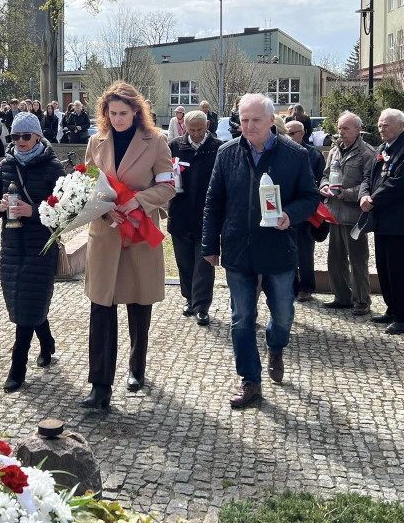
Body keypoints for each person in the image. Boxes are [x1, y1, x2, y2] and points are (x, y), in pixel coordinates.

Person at [203, 93, 319, 408]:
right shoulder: (227, 153)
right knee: (241, 318)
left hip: (278, 250)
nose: (250, 126)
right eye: (244, 120)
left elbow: (310, 197)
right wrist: (209, 244)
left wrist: (289, 215)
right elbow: (214, 202)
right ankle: (250, 382)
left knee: (283, 314)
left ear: (271, 120)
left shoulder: (294, 154)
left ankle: (276, 345)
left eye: (256, 120)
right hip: (239, 250)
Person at [81, 82, 175, 409]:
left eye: (124, 112)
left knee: (139, 306)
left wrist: (137, 202)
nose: (118, 118)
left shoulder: (156, 141)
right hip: (106, 236)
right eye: (112, 113)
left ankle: (137, 368)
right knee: (101, 309)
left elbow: (167, 187)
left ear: (136, 111)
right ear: (105, 113)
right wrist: (105, 208)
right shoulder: (96, 141)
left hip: (139, 235)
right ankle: (99, 385)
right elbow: (88, 185)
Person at [0, 112, 65, 392]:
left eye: (25, 136)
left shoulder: (53, 167)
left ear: (37, 137)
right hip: (11, 243)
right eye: (15, 136)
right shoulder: (6, 165)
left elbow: (63, 210)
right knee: (19, 298)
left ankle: (17, 366)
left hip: (40, 244)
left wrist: (33, 211)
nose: (19, 141)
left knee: (30, 300)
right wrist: (0, 207)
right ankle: (47, 341)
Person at [358, 109, 404, 335]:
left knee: (399, 270)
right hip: (382, 221)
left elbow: (399, 184)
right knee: (384, 269)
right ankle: (391, 308)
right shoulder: (381, 149)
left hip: (400, 223)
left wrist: (372, 200)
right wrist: (364, 195)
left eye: (386, 125)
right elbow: (368, 177)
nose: (381, 128)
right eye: (379, 124)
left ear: (400, 125)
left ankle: (402, 317)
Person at [168, 110, 222, 325]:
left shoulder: (218, 148)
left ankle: (202, 305)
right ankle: (189, 298)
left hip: (207, 215)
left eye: (200, 129)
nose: (197, 133)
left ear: (207, 125)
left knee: (204, 263)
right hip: (180, 214)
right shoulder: (174, 146)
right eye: (192, 130)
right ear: (185, 128)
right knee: (184, 261)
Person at [320, 111, 377, 313]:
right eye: (339, 128)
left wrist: (348, 194)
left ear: (358, 130)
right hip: (334, 213)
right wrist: (324, 187)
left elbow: (369, 184)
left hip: (354, 215)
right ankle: (342, 296)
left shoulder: (367, 153)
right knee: (335, 260)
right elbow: (325, 175)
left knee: (358, 259)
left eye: (345, 128)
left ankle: (361, 300)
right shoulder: (335, 150)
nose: (341, 132)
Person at [285, 119, 325, 301]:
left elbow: (318, 181)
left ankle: (307, 286)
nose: (290, 136)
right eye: (287, 133)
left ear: (303, 133)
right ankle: (291, 286)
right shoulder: (283, 152)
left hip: (306, 211)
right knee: (287, 250)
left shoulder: (314, 155)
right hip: (287, 209)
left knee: (305, 251)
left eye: (293, 133)